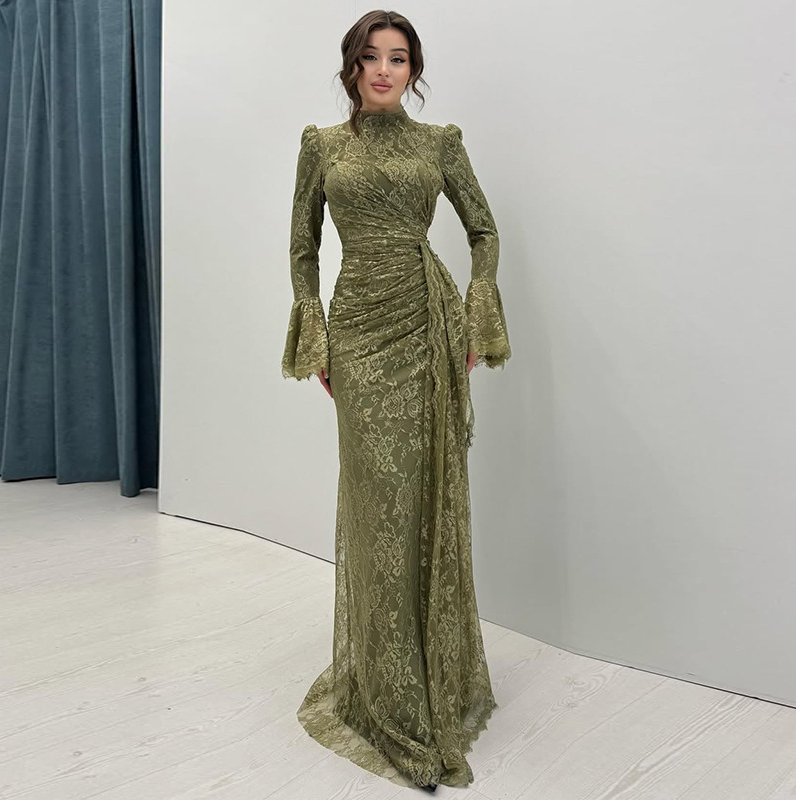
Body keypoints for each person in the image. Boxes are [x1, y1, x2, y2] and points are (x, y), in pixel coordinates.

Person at [281, 9, 511, 792]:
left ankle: (429, 683)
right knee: (376, 505)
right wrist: (314, 332)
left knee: (424, 498)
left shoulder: (439, 142)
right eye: (372, 57)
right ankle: (385, 697)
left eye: (400, 58)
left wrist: (477, 311)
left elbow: (484, 231)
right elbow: (303, 245)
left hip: (426, 322)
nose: (385, 70)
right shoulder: (321, 145)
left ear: (414, 71)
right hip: (358, 331)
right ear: (351, 66)